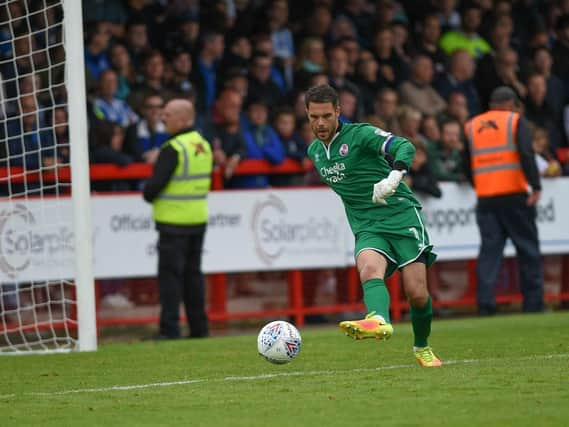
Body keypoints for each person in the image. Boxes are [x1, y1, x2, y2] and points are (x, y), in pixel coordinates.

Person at [304, 84, 441, 367]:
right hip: (367, 224)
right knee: (368, 268)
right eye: (314, 117)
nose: (320, 123)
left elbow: (405, 145)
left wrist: (394, 177)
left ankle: (422, 346)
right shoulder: (314, 152)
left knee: (416, 292)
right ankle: (378, 318)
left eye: (326, 116)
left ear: (338, 112)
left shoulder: (360, 134)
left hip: (401, 216)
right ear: (306, 114)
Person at [463, 86, 544, 316]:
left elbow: (465, 163)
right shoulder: (515, 121)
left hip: (486, 198)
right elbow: (527, 154)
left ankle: (486, 305)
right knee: (528, 250)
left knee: (490, 253)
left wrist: (479, 184)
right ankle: (533, 304)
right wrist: (535, 186)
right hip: (515, 197)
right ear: (510, 103)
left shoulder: (471, 126)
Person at [143, 98, 213, 339]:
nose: (163, 118)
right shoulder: (203, 145)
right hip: (198, 219)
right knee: (193, 276)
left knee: (171, 279)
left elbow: (151, 190)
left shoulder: (173, 148)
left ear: (183, 119)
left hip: (173, 223)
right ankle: (199, 328)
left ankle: (170, 329)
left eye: (169, 114)